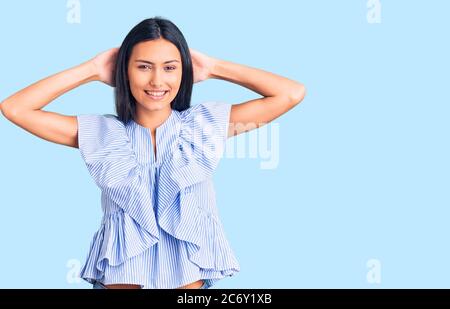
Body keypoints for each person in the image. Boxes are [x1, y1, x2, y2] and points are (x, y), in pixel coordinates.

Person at [0, 17, 306, 289]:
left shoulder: (204, 126)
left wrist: (214, 68)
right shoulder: (101, 134)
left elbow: (291, 92)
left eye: (170, 68)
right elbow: (14, 108)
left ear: (183, 71)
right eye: (144, 67)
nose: (158, 81)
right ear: (125, 71)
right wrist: (91, 70)